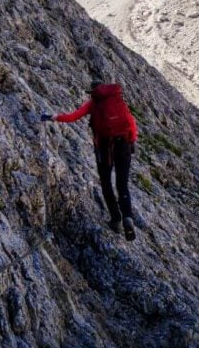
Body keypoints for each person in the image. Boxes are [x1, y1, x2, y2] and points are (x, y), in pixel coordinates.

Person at [43, 81, 138, 240]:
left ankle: (116, 220)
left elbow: (72, 117)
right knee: (122, 185)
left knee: (106, 183)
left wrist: (53, 117)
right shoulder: (118, 101)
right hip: (123, 145)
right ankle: (128, 217)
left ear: (94, 92)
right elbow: (132, 123)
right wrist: (132, 141)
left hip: (104, 147)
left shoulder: (93, 104)